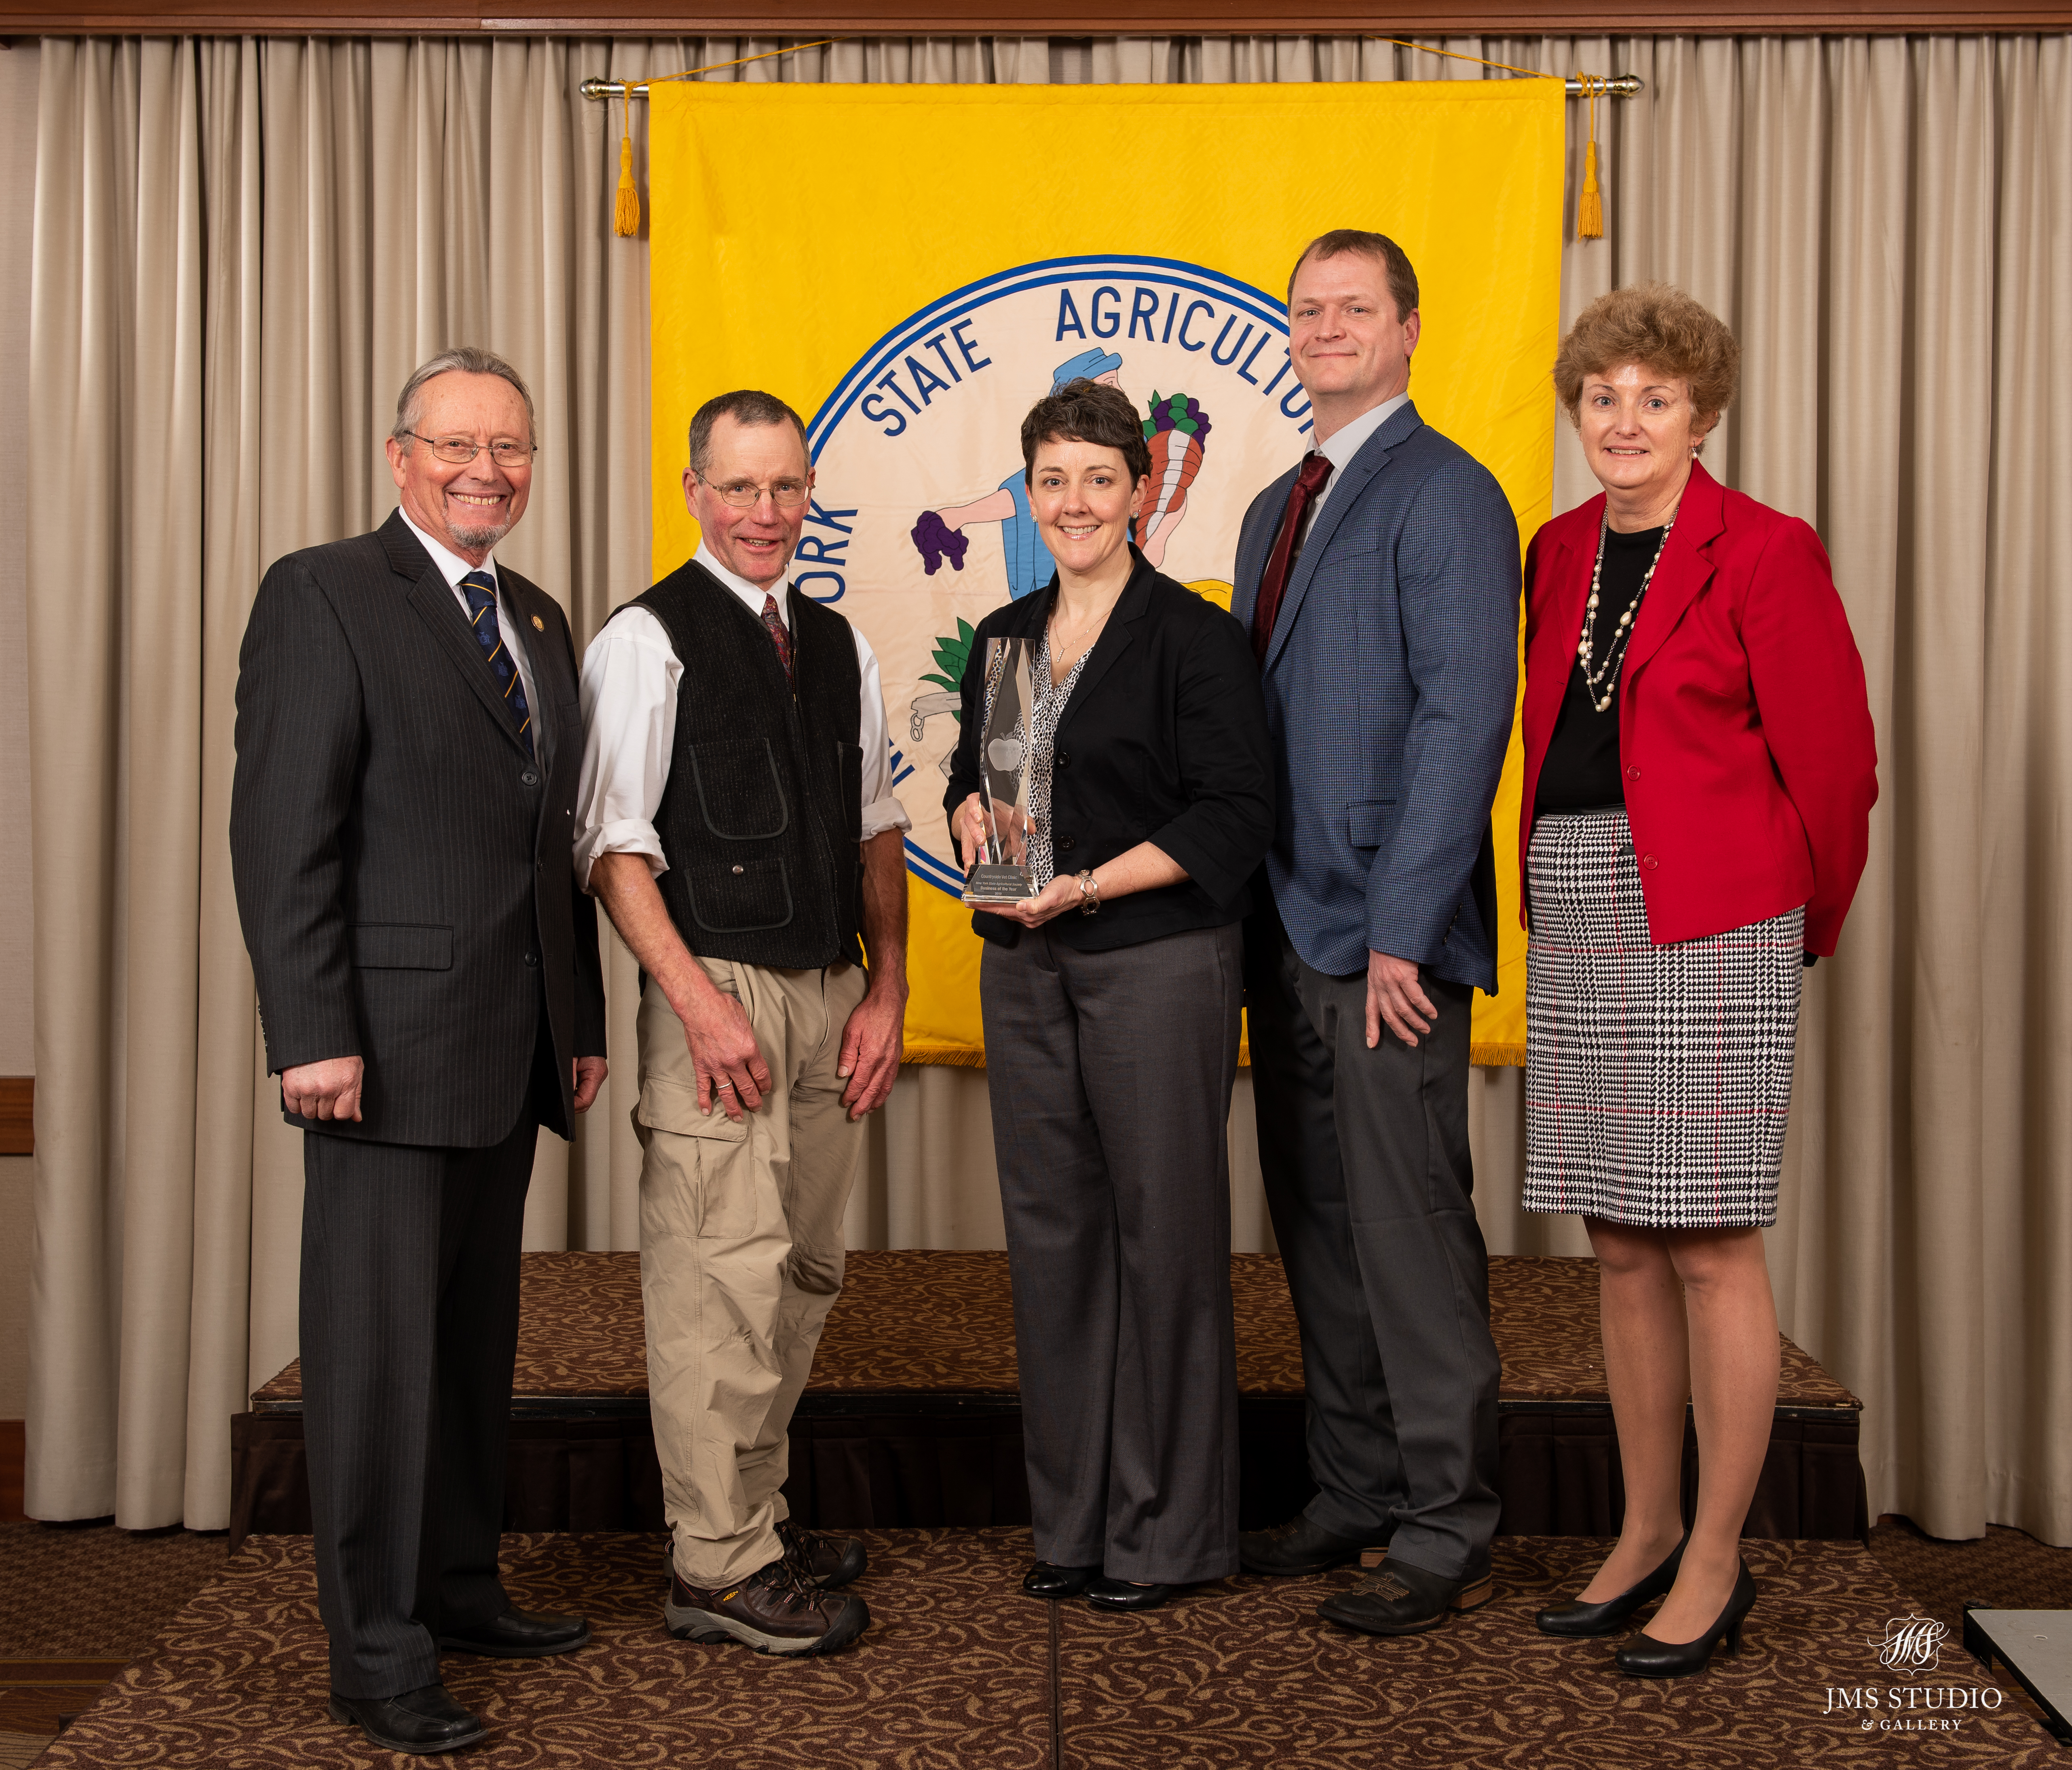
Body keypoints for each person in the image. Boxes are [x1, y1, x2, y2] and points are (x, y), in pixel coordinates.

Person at [229, 348, 608, 1756]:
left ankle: (457, 1586)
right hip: (378, 1055)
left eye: (510, 448)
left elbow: (543, 849)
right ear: (400, 457)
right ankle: (377, 1655)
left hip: (508, 1051)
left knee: (467, 1350)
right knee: (378, 1363)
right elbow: (284, 835)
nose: (486, 470)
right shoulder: (322, 592)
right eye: (457, 445)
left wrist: (575, 1023)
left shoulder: (541, 617)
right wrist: (312, 1031)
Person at [1520, 283, 1876, 1677]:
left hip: (1718, 916)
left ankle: (1719, 1555)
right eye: (1603, 396)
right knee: (1617, 1236)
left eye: (1654, 397)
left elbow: (1836, 767)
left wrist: (1797, 926)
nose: (1624, 418)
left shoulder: (1766, 550)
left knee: (1712, 1239)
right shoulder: (1554, 551)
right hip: (1584, 900)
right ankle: (1646, 1524)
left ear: (1703, 416)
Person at [577, 389, 910, 1657]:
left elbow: (879, 826)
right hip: (717, 988)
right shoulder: (645, 639)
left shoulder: (838, 645)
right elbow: (612, 845)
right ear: (694, 490)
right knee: (717, 1271)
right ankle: (714, 1563)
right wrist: (697, 1002)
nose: (765, 513)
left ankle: (752, 1521)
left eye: (786, 488)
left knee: (800, 1268)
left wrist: (885, 987)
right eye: (740, 488)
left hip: (832, 988)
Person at [945, 378, 1274, 1612]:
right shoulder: (1007, 638)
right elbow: (992, 793)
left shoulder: (1195, 638)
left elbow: (1237, 813)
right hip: (1024, 967)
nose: (1074, 501)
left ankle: (1168, 1533)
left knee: (1168, 1241)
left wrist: (1086, 886)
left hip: (1157, 961)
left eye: (1098, 478)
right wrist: (971, 811)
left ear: (1142, 490)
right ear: (1028, 496)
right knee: (1056, 1246)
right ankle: (1074, 1521)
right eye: (1052, 480)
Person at [1233, 231, 1520, 1635]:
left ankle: (1448, 1516)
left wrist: (1407, 924)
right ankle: (1354, 1486)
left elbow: (1468, 720)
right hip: (1284, 928)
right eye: (1307, 310)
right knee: (1321, 1230)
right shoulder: (1272, 507)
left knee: (1408, 1231)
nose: (1325, 328)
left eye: (1355, 308)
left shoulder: (1449, 492)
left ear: (1410, 328)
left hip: (1387, 939)